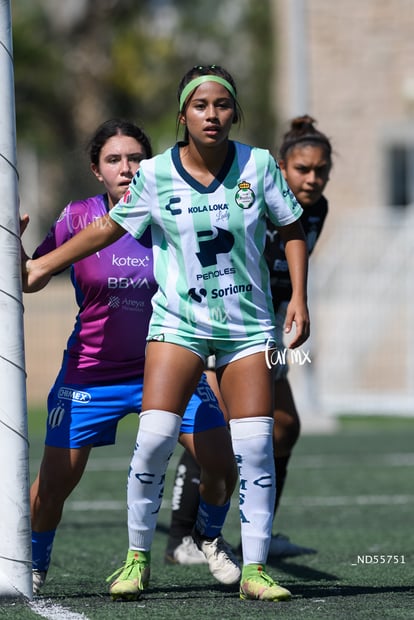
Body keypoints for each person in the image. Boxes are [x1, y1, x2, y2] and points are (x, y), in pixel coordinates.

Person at [23, 65, 310, 603]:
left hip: (235, 333)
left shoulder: (257, 167)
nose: (128, 168)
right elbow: (86, 239)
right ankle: (104, 561)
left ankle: (233, 554)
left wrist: (298, 296)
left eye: (222, 105)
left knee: (245, 453)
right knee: (110, 460)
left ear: (234, 113)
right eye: (114, 159)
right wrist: (33, 268)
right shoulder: (100, 205)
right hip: (122, 358)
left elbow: (289, 226)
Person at [23, 118, 240, 598]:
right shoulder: (77, 218)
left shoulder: (175, 212)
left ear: (152, 164)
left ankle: (208, 536)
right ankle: (33, 565)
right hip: (91, 375)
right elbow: (31, 276)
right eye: (114, 160)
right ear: (97, 170)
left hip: (169, 364)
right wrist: (11, 252)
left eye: (136, 158)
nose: (126, 168)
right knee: (53, 486)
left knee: (223, 463)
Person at [164, 114, 332, 562]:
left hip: (267, 328)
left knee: (285, 428)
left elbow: (286, 267)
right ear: (281, 167)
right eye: (302, 170)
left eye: (321, 171)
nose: (312, 179)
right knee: (215, 428)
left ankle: (260, 534)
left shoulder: (315, 210)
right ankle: (183, 536)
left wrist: (293, 305)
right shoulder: (252, 197)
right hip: (227, 323)